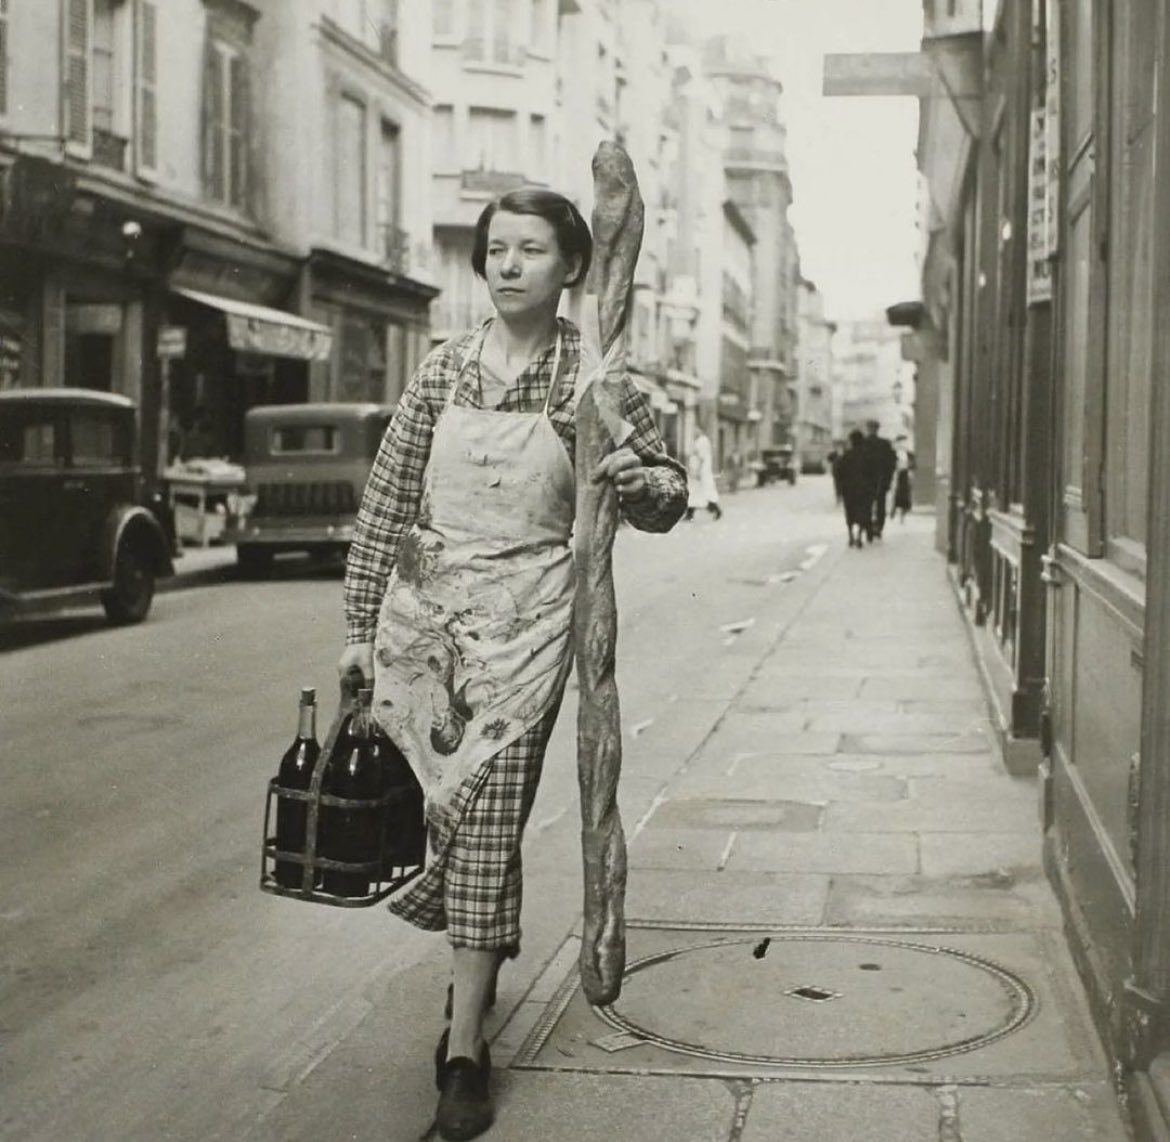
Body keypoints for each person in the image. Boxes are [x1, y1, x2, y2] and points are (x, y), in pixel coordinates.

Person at [338, 187, 687, 1141]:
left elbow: (666, 499)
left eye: (530, 250)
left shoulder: (599, 379)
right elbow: (386, 503)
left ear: (572, 266)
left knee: (488, 821)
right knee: (445, 825)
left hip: (531, 635)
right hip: (427, 635)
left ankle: (463, 1054)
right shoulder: (442, 366)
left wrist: (635, 477)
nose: (507, 264)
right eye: (496, 249)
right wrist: (361, 630)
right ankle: (478, 973)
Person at [833, 428, 872, 547]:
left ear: (852, 441)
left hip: (849, 489)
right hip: (864, 489)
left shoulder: (846, 456)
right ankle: (859, 537)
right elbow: (873, 473)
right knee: (862, 512)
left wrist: (839, 490)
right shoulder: (867, 456)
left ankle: (850, 536)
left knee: (850, 512)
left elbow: (838, 473)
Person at [859, 418, 897, 539]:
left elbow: (858, 463)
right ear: (877, 429)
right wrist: (889, 478)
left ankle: (869, 527)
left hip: (866, 481)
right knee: (880, 504)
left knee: (867, 505)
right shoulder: (885, 444)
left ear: (869, 429)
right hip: (881, 479)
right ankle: (879, 528)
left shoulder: (862, 443)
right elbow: (892, 463)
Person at [684, 428, 722, 520]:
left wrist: (697, 471)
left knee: (702, 492)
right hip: (697, 471)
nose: (694, 433)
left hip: (700, 472)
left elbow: (702, 458)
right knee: (695, 492)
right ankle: (690, 514)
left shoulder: (702, 441)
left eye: (696, 430)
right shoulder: (700, 441)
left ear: (700, 430)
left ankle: (716, 510)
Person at [892, 433, 913, 522]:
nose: (902, 444)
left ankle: (902, 513)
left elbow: (913, 465)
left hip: (905, 475)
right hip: (896, 475)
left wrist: (909, 468)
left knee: (904, 494)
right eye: (900, 442)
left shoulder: (909, 454)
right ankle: (893, 510)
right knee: (895, 493)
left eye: (904, 442)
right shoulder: (894, 453)